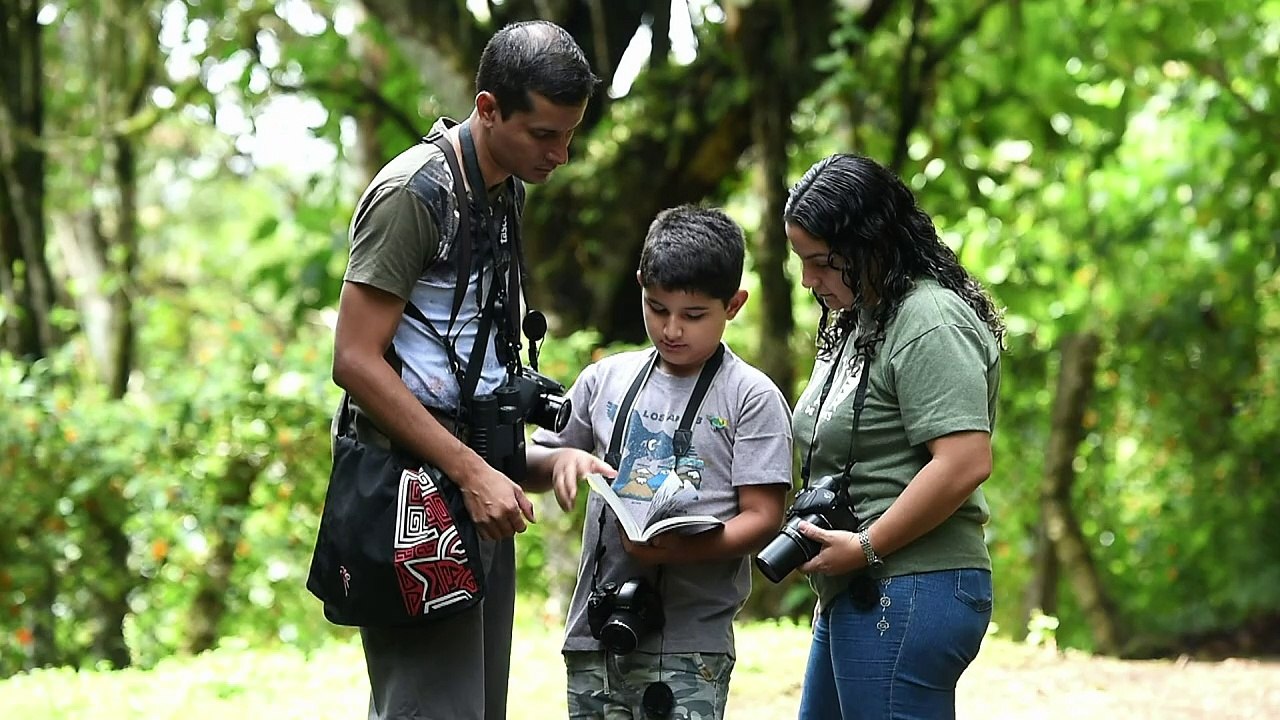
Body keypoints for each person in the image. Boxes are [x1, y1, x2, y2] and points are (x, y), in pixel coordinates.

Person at [330, 21, 598, 720]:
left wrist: (536, 459)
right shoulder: (413, 193)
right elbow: (355, 360)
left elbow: (463, 367)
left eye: (569, 135)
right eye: (544, 134)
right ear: (487, 109)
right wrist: (475, 471)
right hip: (415, 502)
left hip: (479, 489)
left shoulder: (503, 187)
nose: (561, 154)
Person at [524, 205, 794, 719]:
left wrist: (673, 552)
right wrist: (560, 462)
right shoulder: (606, 379)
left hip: (690, 644)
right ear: (641, 284)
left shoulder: (750, 396)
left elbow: (763, 518)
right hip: (594, 632)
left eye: (694, 316)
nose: (671, 329)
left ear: (733, 304)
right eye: (656, 308)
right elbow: (533, 460)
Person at [782, 153, 1005, 720]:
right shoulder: (865, 320)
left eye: (824, 262)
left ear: (872, 243)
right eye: (802, 262)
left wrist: (866, 545)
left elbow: (964, 461)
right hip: (863, 588)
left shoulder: (928, 319)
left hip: (911, 585)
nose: (810, 280)